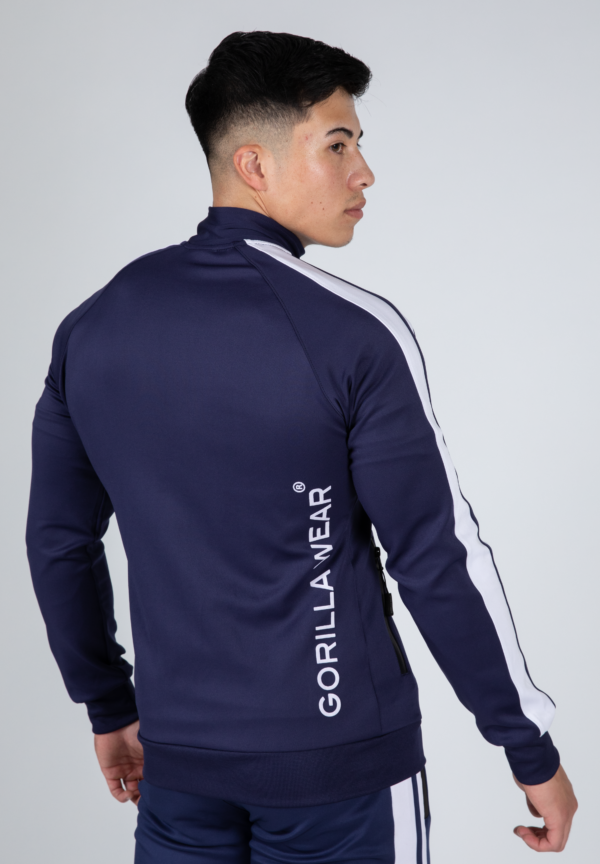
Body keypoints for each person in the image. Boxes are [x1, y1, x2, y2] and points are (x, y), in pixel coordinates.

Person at [26, 30, 577, 863]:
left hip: (181, 773)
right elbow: (436, 556)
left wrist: (108, 704)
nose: (365, 173)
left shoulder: (92, 328)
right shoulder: (352, 332)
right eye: (339, 145)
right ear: (254, 164)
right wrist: (526, 744)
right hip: (340, 771)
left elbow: (59, 543)